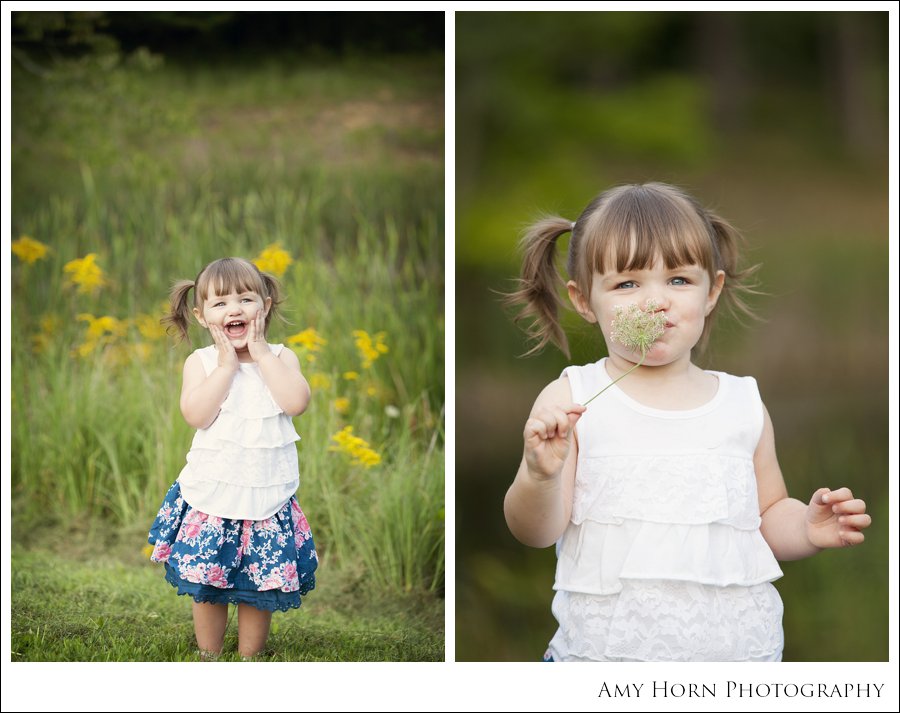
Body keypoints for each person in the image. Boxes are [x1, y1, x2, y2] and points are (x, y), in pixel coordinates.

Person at [503, 183, 871, 662]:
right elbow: (534, 531)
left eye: (678, 280)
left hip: (737, 660)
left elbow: (762, 517)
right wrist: (539, 475)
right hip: (606, 662)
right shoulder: (573, 399)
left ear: (711, 291)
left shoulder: (741, 404)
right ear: (585, 301)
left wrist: (804, 527)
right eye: (626, 284)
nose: (656, 302)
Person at [148, 256, 317, 660]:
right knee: (208, 580)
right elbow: (196, 414)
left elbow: (296, 402)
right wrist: (226, 366)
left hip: (266, 498)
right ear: (203, 317)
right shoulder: (202, 363)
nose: (234, 310)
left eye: (245, 299)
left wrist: (260, 353)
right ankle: (209, 653)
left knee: (258, 585)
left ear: (266, 305)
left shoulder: (280, 357)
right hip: (211, 496)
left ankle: (249, 656)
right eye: (220, 304)